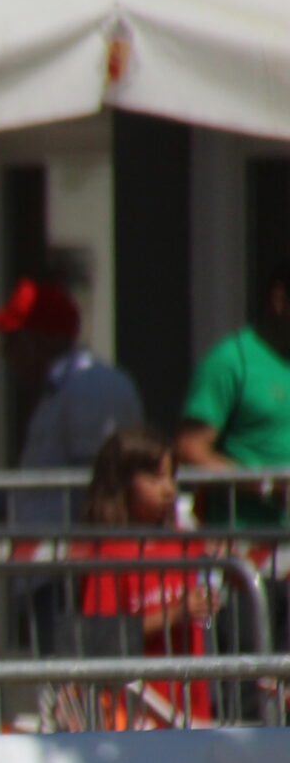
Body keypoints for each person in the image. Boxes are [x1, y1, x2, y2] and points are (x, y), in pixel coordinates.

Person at [71, 425, 214, 725]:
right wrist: (173, 615)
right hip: (135, 715)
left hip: (191, 706)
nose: (169, 490)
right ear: (121, 483)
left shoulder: (183, 543)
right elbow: (100, 635)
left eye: (172, 478)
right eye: (154, 478)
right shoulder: (106, 554)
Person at [0, 277, 143, 526]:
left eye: (13, 339)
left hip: (77, 554)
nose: (4, 352)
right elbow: (33, 494)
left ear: (42, 340)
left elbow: (97, 487)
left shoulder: (91, 385)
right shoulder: (57, 390)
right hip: (49, 550)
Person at [176, 257, 290, 525]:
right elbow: (190, 449)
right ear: (279, 299)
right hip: (248, 541)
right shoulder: (230, 361)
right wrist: (265, 485)